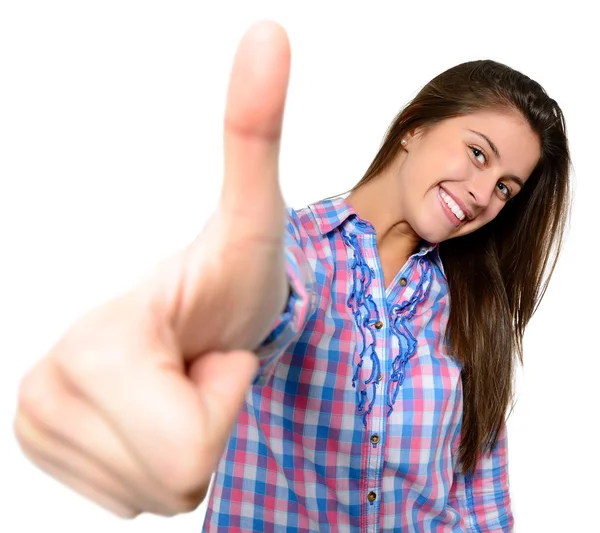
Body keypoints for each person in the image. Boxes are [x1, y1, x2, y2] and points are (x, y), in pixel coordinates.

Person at [13, 20, 570, 532]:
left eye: (505, 188)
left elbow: (481, 506)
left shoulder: (472, 308)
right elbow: (263, 301)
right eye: (478, 153)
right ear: (415, 128)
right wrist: (185, 325)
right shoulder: (295, 250)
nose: (481, 194)